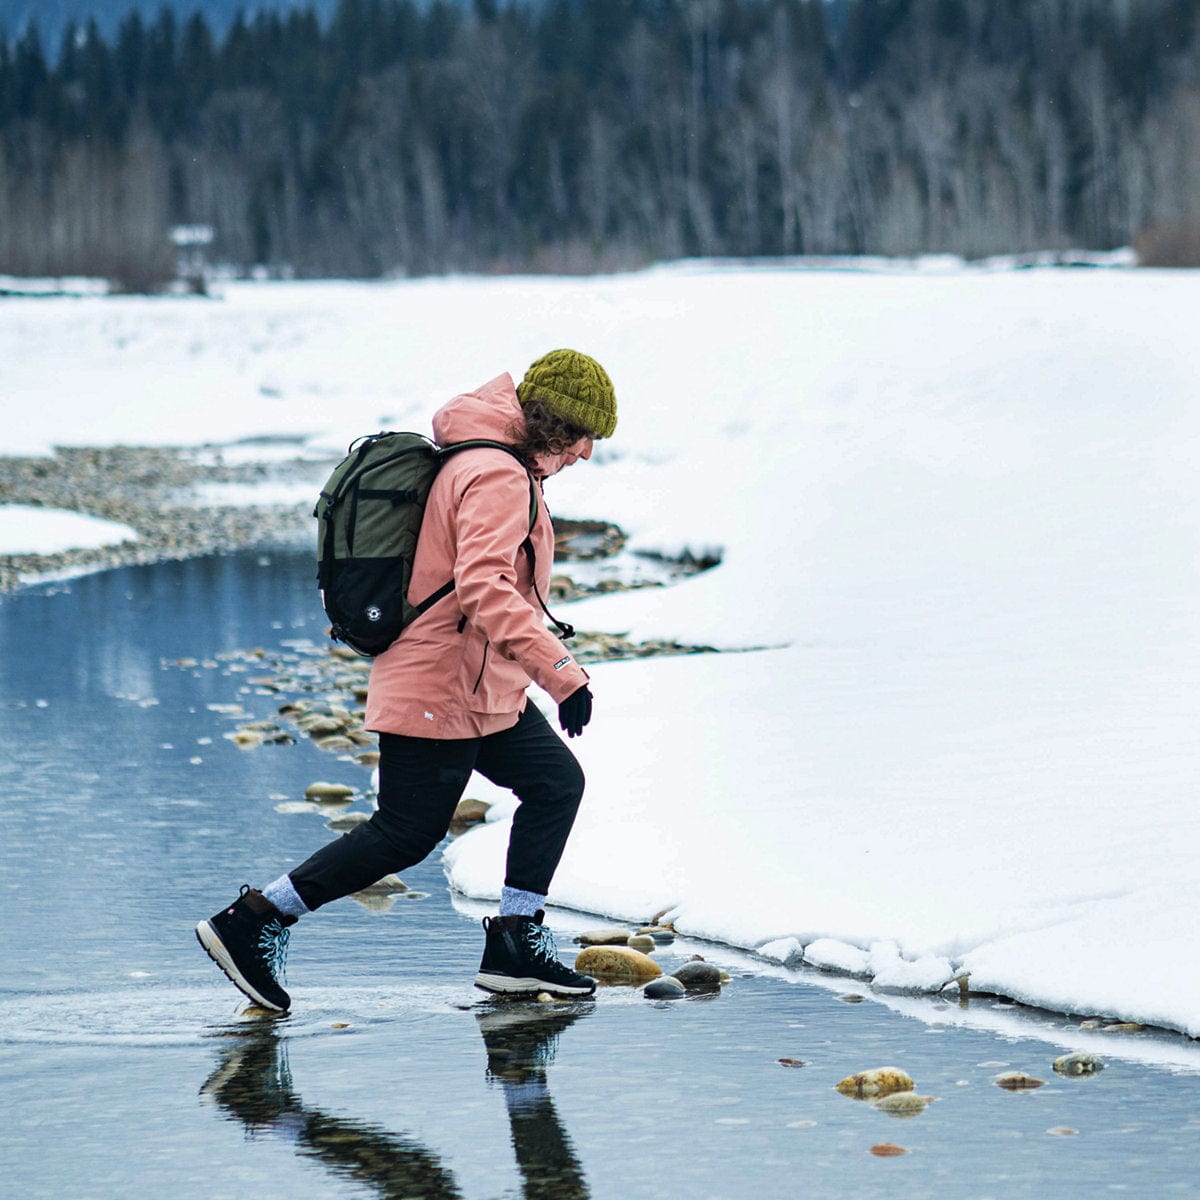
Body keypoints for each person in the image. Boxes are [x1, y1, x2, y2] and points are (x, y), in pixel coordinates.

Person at [196, 349, 618, 1012]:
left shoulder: (488, 461)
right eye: (582, 436)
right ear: (551, 424)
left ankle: (514, 940)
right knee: (405, 832)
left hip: (483, 687)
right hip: (442, 684)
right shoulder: (496, 475)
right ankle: (253, 919)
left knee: (554, 782)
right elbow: (484, 588)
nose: (587, 453)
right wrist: (561, 672)